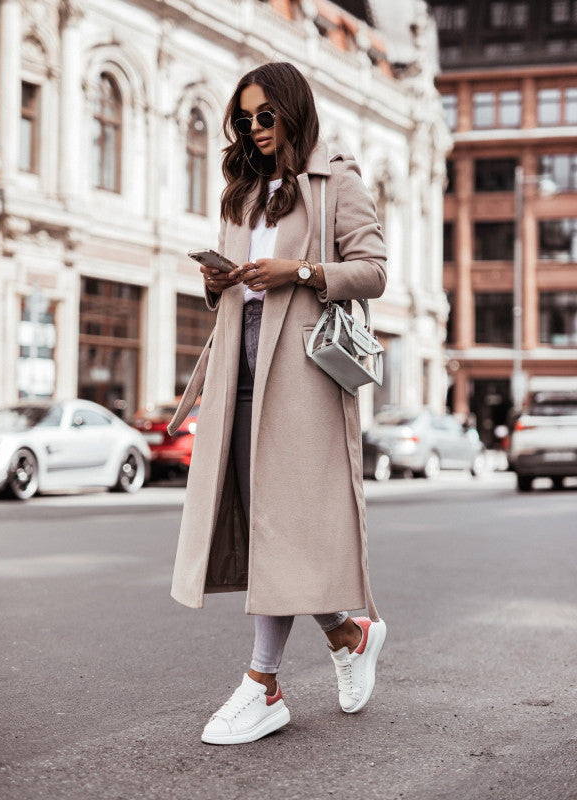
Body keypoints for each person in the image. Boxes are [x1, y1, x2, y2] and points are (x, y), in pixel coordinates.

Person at [167, 62, 388, 745]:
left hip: (300, 372)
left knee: (280, 519)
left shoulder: (336, 180)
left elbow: (375, 270)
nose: (255, 129)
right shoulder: (243, 190)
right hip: (238, 358)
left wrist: (298, 271)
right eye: (244, 119)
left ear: (292, 110)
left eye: (266, 116)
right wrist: (218, 282)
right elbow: (238, 288)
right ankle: (349, 635)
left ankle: (263, 684)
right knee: (265, 518)